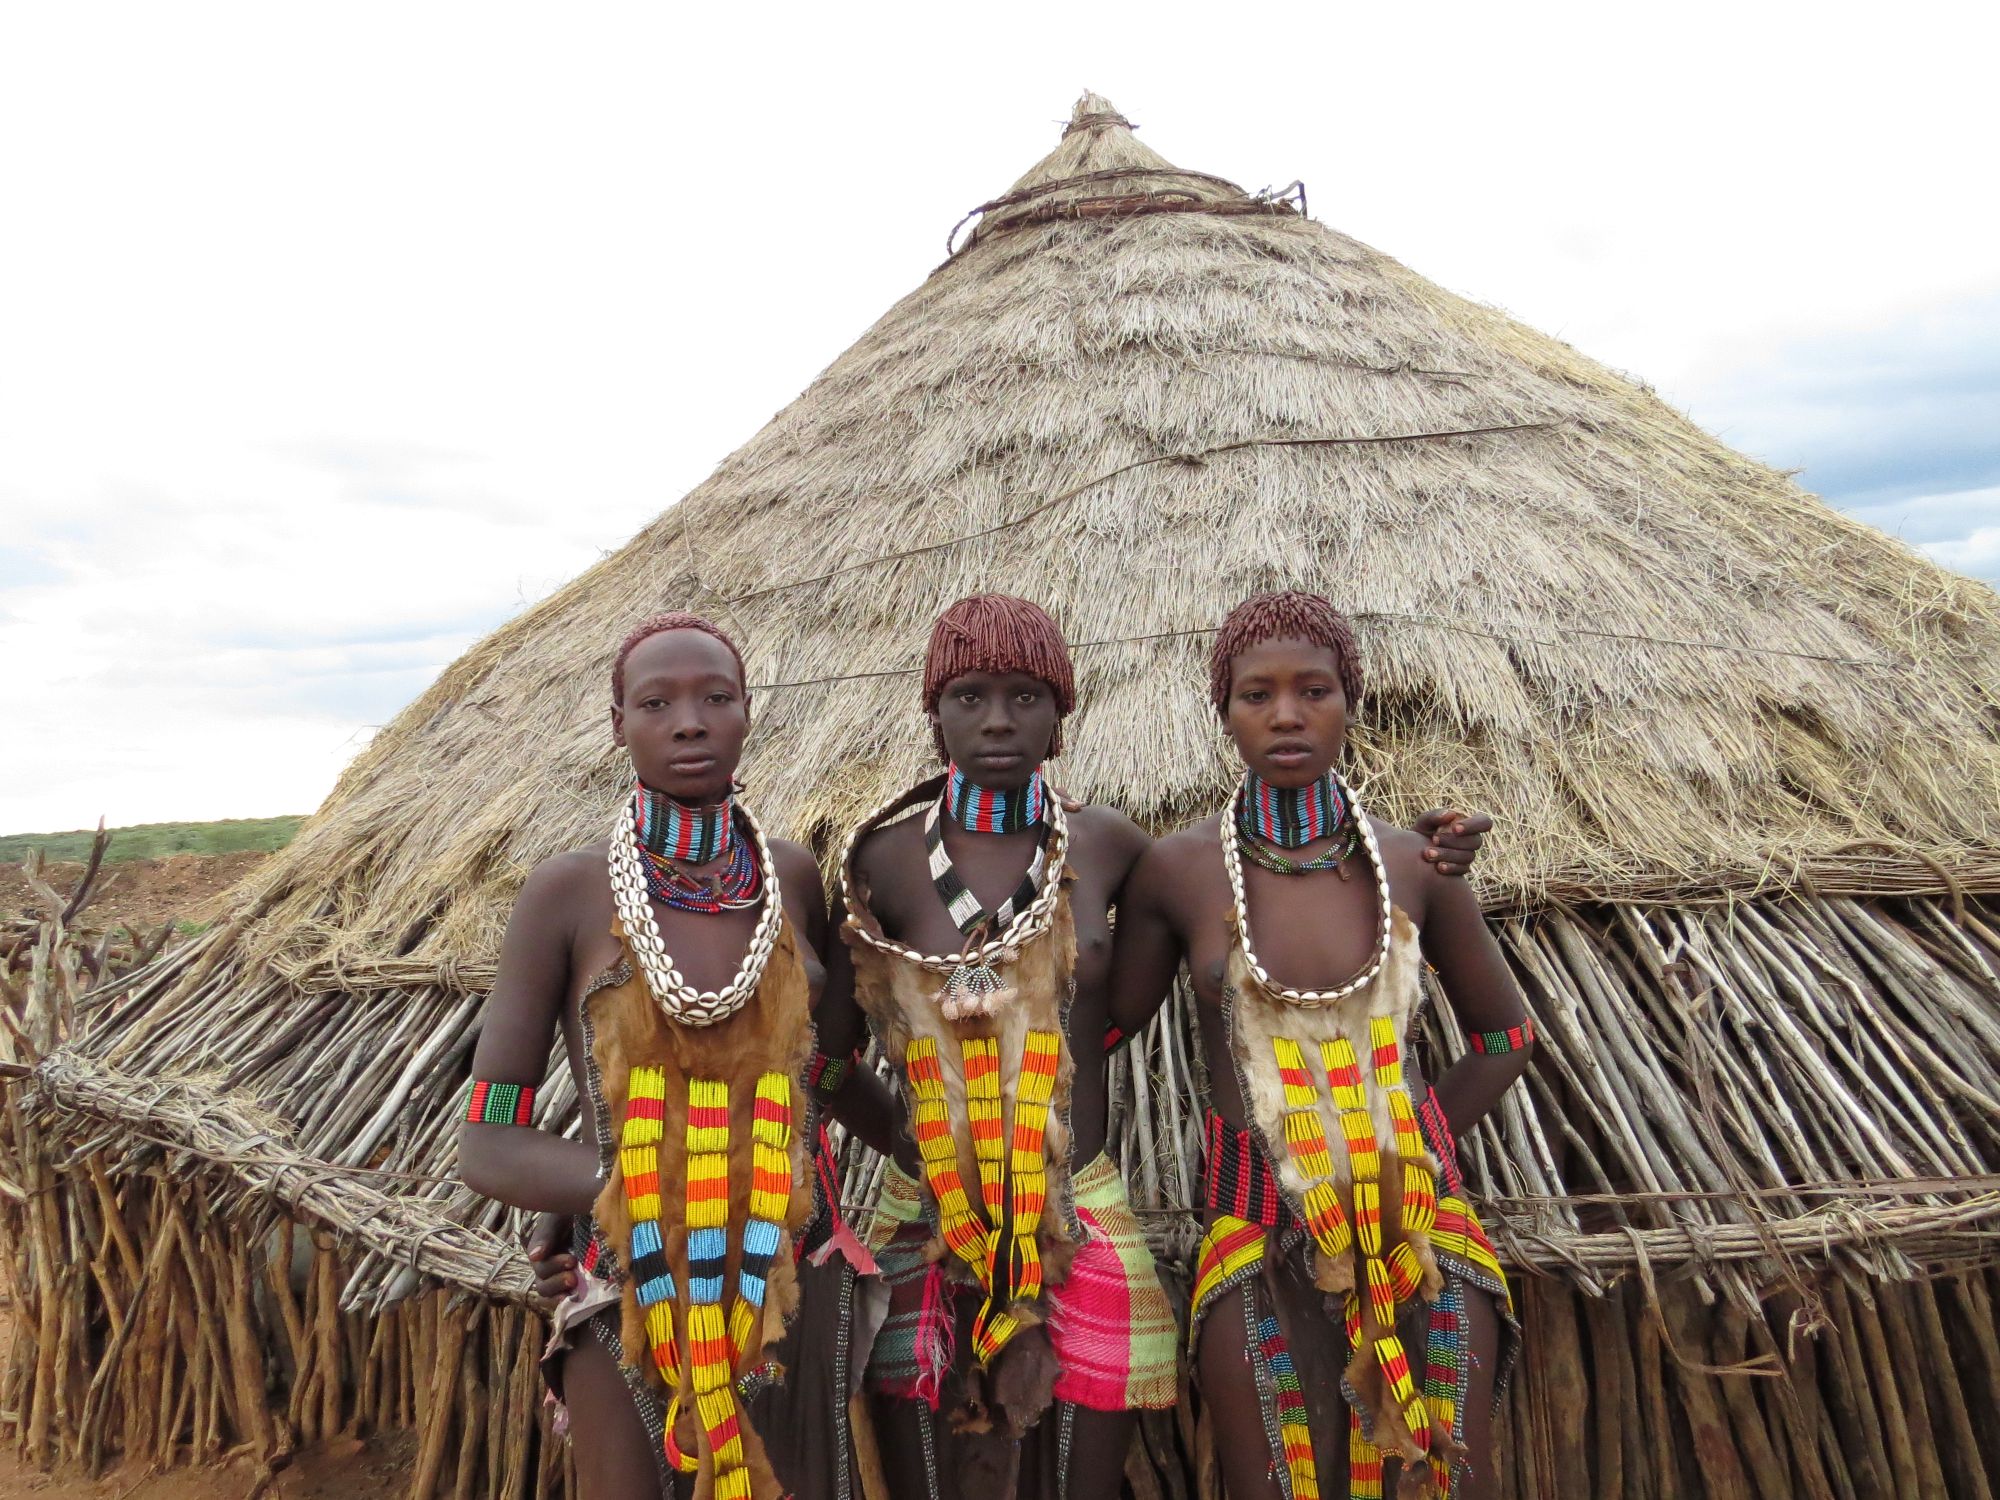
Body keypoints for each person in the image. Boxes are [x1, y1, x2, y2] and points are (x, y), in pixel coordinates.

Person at [811, 594, 1490, 1500]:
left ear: (1064, 712)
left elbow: (1109, 1020)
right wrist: (916, 1139)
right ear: (932, 708)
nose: (999, 718)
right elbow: (827, 1059)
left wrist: (1398, 1142)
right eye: (969, 695)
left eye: (1026, 694)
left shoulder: (1114, 848)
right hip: (924, 1212)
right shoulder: (879, 860)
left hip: (1087, 1202)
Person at [1108, 591, 1534, 1500]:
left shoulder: (1417, 867)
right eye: (1257, 695)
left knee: (1442, 1482)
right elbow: (1102, 1028)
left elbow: (1506, 1036)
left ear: (1353, 700)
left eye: (1315, 690)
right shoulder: (1177, 871)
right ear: (1223, 712)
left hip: (1418, 1235)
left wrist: (1407, 1157)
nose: (1288, 715)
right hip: (1256, 1234)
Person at [459, 613, 869, 1500]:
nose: (690, 721)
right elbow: (490, 1135)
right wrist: (621, 1186)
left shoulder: (792, 877)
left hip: (791, 1289)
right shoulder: (567, 894)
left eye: (715, 697)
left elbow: (827, 1074)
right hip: (633, 1289)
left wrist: (954, 1169)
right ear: (617, 723)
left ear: (747, 712)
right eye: (657, 702)